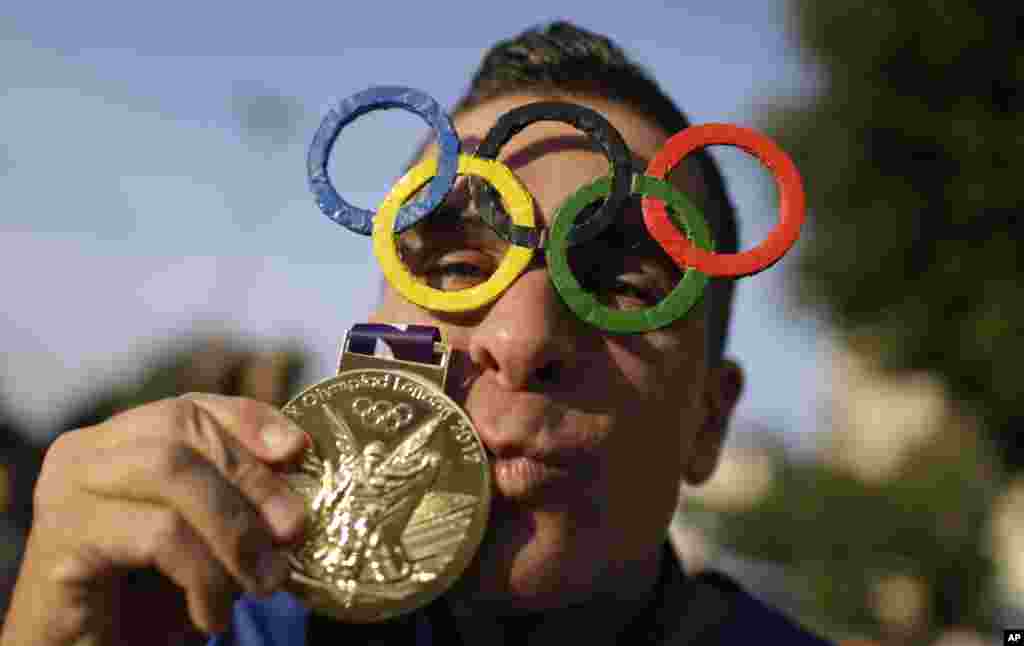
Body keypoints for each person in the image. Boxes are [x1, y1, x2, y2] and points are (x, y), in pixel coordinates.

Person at [0, 21, 833, 646]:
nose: (521, 337)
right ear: (368, 352)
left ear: (710, 422)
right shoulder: (193, 622)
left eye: (622, 285)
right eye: (460, 267)